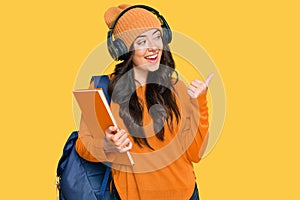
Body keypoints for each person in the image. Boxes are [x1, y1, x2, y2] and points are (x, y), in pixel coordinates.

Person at [76, 4, 212, 200]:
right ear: (123, 49)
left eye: (157, 36)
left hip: (185, 194)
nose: (153, 47)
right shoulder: (103, 88)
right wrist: (106, 146)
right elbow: (83, 146)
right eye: (141, 41)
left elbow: (195, 154)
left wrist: (200, 103)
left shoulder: (178, 88)